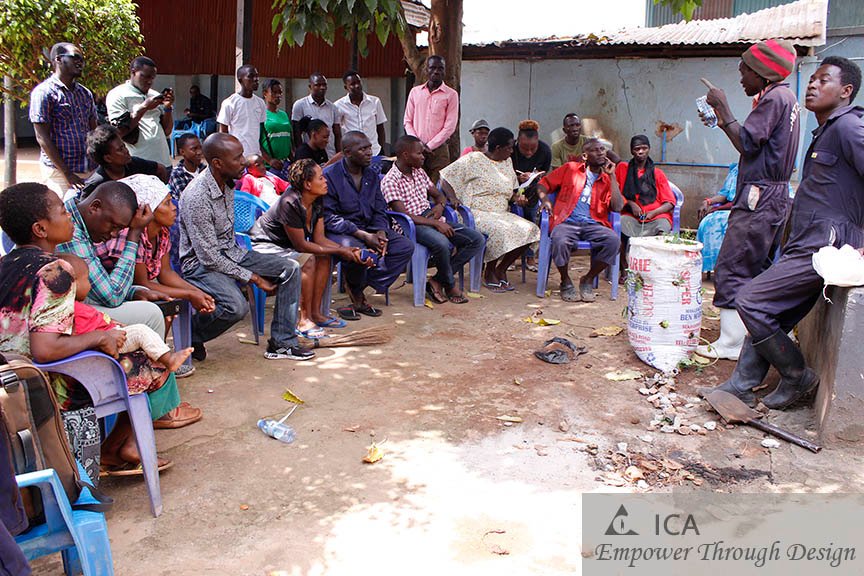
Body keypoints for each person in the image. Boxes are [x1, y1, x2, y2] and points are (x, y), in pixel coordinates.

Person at [0, 183, 197, 480]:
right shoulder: (56, 271)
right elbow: (46, 348)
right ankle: (118, 445)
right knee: (155, 366)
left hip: (14, 374)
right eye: (62, 211)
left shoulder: (6, 264)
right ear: (41, 228)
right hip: (51, 380)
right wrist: (99, 337)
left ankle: (115, 447)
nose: (69, 216)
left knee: (139, 350)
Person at [702, 56, 863, 411]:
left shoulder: (849, 128)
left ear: (846, 91)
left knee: (751, 300)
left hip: (827, 244)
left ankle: (796, 375)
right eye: (813, 78)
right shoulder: (826, 129)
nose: (813, 84)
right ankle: (741, 385)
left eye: (824, 80)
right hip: (806, 239)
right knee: (770, 308)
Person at [695, 39, 801, 361]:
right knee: (759, 266)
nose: (740, 76)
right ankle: (758, 334)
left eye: (745, 71)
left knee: (732, 264)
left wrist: (723, 108)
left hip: (760, 196)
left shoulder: (774, 99)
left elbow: (748, 143)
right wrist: (721, 118)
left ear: (762, 72)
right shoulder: (785, 98)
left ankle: (729, 344)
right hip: (773, 195)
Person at [179, 133, 314, 361]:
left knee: (290, 268)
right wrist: (254, 278)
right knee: (235, 307)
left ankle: (282, 343)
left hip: (232, 253)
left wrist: (250, 269)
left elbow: (227, 245)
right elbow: (209, 257)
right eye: (237, 157)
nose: (243, 161)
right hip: (200, 265)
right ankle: (191, 334)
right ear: (217, 163)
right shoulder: (197, 197)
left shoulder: (228, 183)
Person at [250, 159, 370, 333]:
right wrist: (341, 250)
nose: (325, 181)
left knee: (325, 256)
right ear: (307, 184)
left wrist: (349, 250)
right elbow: (302, 245)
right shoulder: (290, 203)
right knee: (309, 261)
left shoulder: (317, 200)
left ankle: (316, 313)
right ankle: (303, 320)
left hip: (287, 246)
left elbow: (319, 239)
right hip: (264, 246)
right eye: (321, 178)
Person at [94, 174, 216, 345]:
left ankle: (158, 351)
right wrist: (190, 294)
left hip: (133, 287)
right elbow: (143, 283)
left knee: (170, 303)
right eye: (166, 203)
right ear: (147, 210)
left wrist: (197, 292)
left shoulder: (161, 232)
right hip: (110, 291)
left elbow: (166, 272)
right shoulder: (129, 235)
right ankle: (155, 353)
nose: (174, 207)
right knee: (165, 305)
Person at [383, 135, 485, 304]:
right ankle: (450, 285)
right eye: (419, 154)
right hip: (409, 226)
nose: (424, 157)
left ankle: (437, 280)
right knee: (442, 243)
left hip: (430, 218)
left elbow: (439, 196)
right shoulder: (390, 180)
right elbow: (404, 216)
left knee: (476, 239)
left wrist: (439, 207)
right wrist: (436, 223)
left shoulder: (419, 172)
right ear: (405, 155)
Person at [323, 131, 414, 319]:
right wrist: (363, 235)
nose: (369, 152)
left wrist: (380, 231)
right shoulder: (330, 176)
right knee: (362, 250)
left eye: (369, 147)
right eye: (362, 149)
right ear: (347, 153)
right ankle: (357, 293)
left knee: (404, 247)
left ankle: (359, 285)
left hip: (369, 227)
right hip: (342, 230)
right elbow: (328, 217)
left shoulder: (371, 175)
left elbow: (380, 208)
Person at [439, 127, 540, 292]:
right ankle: (489, 271)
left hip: (501, 212)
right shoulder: (473, 159)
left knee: (531, 230)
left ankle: (500, 269)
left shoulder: (507, 162)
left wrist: (518, 199)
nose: (512, 151)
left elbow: (512, 192)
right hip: (476, 212)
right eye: (509, 147)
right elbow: (444, 177)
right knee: (501, 230)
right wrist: (452, 197)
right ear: (498, 148)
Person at [57, 253, 193, 374]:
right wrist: (108, 334)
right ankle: (169, 359)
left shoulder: (77, 306)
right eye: (86, 280)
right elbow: (83, 334)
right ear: (72, 285)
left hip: (112, 334)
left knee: (141, 332)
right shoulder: (74, 310)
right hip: (111, 343)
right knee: (141, 331)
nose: (90, 285)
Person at [535, 138, 623, 303]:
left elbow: (617, 207)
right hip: (567, 221)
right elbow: (542, 184)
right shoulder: (570, 169)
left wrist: (612, 177)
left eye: (603, 149)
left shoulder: (606, 180)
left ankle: (588, 279)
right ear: (584, 155)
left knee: (613, 242)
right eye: (596, 150)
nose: (601, 153)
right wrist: (545, 200)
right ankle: (565, 279)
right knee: (559, 241)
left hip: (594, 224)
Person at [29, 42, 97, 199]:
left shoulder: (85, 93)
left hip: (90, 168)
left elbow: (94, 130)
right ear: (58, 59)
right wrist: (67, 173)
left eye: (82, 59)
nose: (80, 62)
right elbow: (42, 137)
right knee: (63, 215)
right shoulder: (44, 93)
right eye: (75, 58)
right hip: (60, 173)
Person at [612, 135, 677, 275]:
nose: (640, 152)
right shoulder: (623, 169)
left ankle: (656, 269)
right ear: (631, 151)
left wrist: (653, 213)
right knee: (621, 227)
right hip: (631, 215)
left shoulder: (657, 173)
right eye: (637, 149)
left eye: (644, 148)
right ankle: (624, 267)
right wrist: (630, 204)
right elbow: (615, 192)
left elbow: (670, 203)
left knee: (662, 230)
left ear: (649, 149)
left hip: (656, 215)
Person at [106, 56, 173, 166]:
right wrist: (144, 107)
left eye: (152, 78)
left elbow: (167, 131)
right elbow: (119, 131)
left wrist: (168, 108)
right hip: (137, 164)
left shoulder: (155, 95)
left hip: (163, 161)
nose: (149, 81)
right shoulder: (118, 95)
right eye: (145, 77)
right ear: (133, 72)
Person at [404, 56, 459, 183]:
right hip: (415, 149)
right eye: (433, 68)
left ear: (445, 71)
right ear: (426, 70)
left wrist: (429, 146)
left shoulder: (451, 95)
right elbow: (407, 121)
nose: (436, 71)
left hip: (439, 151)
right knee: (415, 185)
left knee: (437, 188)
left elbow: (449, 127)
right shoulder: (415, 92)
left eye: (440, 68)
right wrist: (417, 144)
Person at [80, 124, 168, 197]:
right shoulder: (96, 184)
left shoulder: (134, 164)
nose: (126, 151)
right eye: (120, 149)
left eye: (124, 146)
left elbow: (161, 169)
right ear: (108, 158)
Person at [512, 119, 552, 271]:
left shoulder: (545, 151)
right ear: (518, 142)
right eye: (524, 149)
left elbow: (544, 174)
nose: (529, 153)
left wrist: (535, 176)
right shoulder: (511, 151)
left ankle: (530, 257)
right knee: (515, 221)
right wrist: (518, 179)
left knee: (534, 219)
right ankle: (512, 256)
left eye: (532, 149)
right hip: (513, 191)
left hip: (534, 191)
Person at [217, 65, 273, 164]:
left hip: (256, 158)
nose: (256, 79)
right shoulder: (230, 103)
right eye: (251, 76)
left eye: (257, 76)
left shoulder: (260, 103)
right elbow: (223, 134)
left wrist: (268, 159)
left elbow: (259, 135)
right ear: (240, 80)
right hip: (238, 159)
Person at [167, 133, 206, 269]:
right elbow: (188, 201)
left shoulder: (204, 170)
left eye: (200, 148)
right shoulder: (177, 173)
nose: (199, 152)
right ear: (182, 152)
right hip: (183, 219)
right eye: (194, 149)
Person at [697, 164, 739, 274]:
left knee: (727, 222)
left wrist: (718, 208)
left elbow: (742, 200)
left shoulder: (758, 171)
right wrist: (708, 202)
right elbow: (724, 194)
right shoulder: (735, 170)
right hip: (728, 208)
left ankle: (728, 268)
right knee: (707, 222)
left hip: (744, 210)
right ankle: (711, 265)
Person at [334, 70, 387, 156]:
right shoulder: (338, 106)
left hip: (374, 151)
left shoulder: (375, 102)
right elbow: (337, 132)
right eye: (352, 84)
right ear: (346, 87)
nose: (357, 86)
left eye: (359, 82)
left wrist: (382, 149)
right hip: (353, 153)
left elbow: (380, 128)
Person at [291, 73, 341, 159]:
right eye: (318, 85)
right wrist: (301, 154)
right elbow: (296, 133)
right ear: (310, 86)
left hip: (330, 155)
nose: (322, 88)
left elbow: (337, 134)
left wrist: (339, 154)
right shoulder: (300, 105)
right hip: (309, 156)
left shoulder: (333, 108)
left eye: (324, 85)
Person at [260, 79, 292, 176]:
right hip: (270, 166)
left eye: (280, 92)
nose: (278, 95)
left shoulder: (284, 114)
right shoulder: (261, 114)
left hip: (285, 164)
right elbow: (256, 142)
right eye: (274, 92)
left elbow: (289, 139)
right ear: (265, 93)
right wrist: (269, 160)